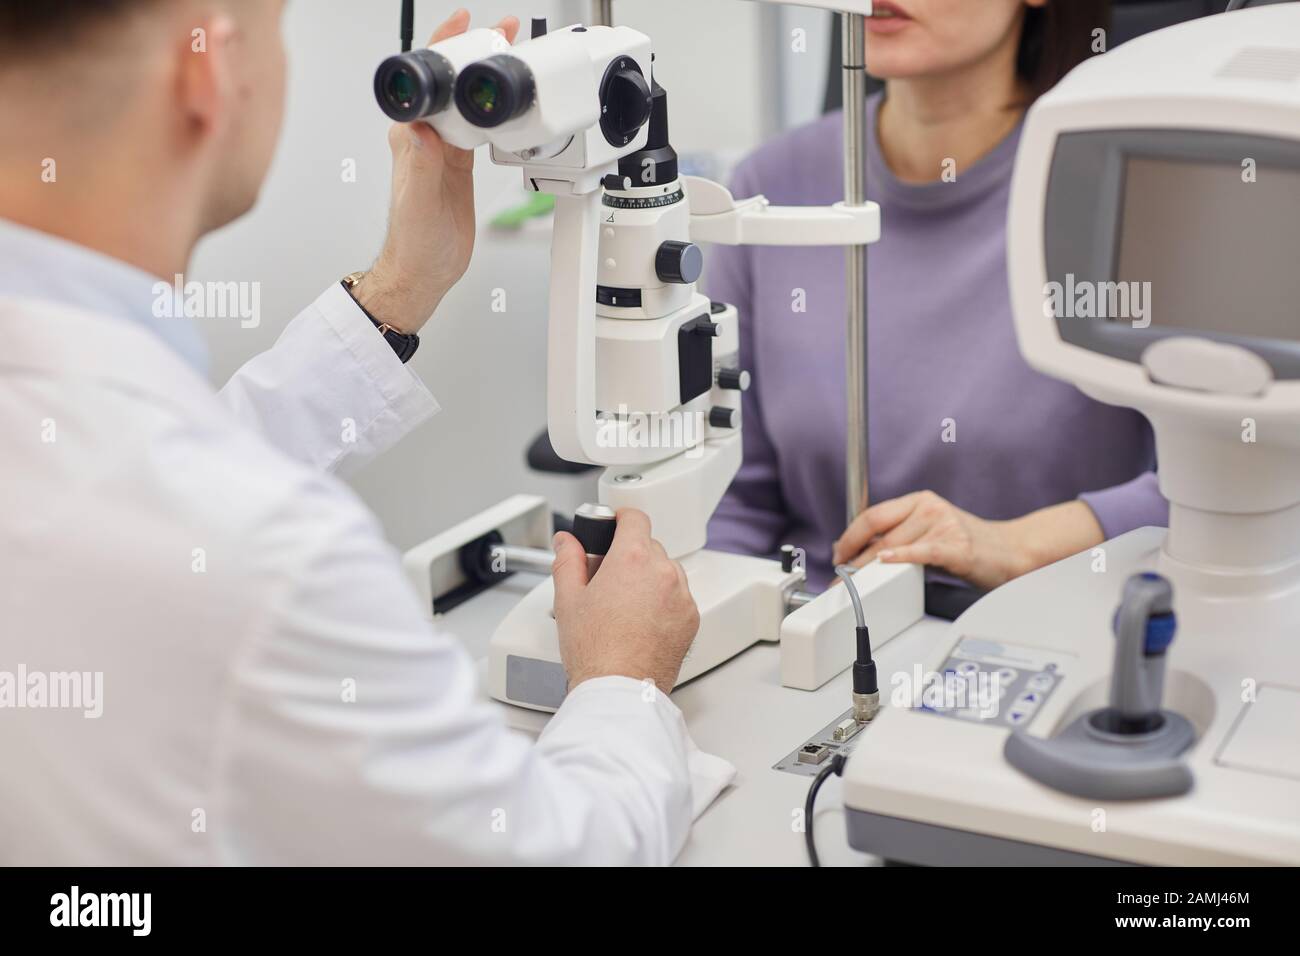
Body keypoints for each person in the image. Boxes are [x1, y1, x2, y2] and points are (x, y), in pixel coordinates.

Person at [0, 2, 710, 865]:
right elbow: (561, 852)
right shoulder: (274, 562)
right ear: (207, 74)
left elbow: (135, 478)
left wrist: (402, 285)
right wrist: (623, 683)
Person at [707, 0, 1165, 595]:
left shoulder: (1139, 187)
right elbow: (731, 500)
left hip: (1061, 637)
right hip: (813, 640)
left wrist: (1013, 546)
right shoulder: (768, 187)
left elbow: (1229, 486)